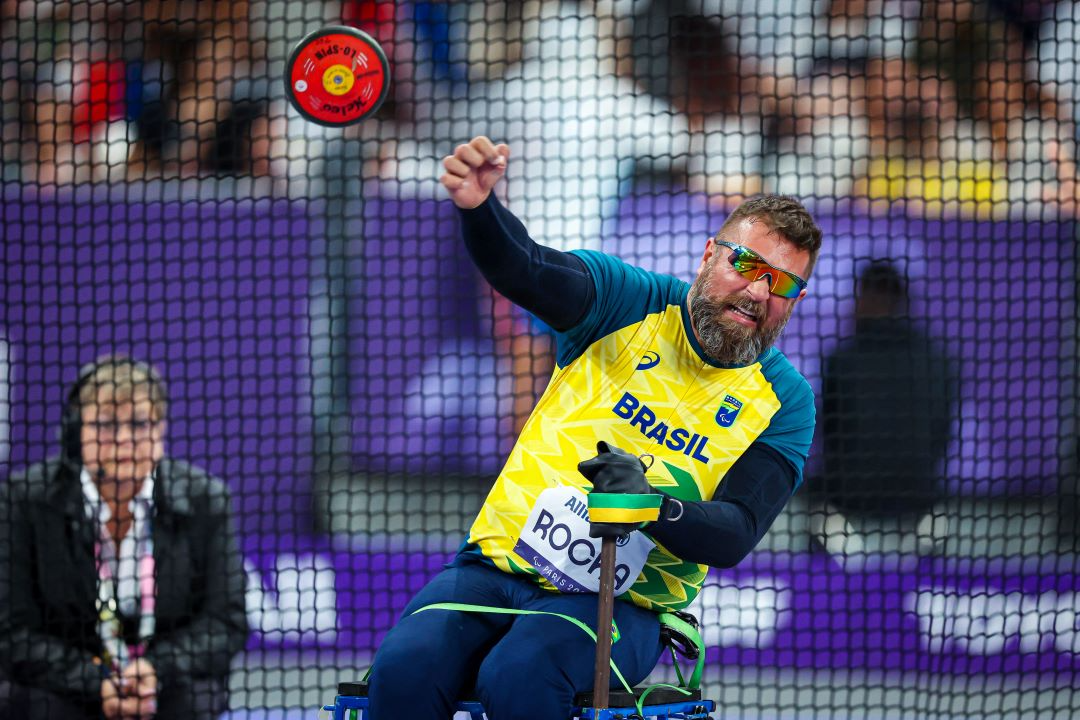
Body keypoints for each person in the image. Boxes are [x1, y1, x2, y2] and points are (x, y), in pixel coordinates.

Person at [365, 136, 822, 719]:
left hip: (626, 607)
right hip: (495, 568)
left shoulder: (786, 400)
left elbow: (735, 531)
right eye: (747, 265)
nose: (759, 291)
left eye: (783, 283)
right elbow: (524, 268)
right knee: (404, 670)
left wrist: (647, 506)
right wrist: (480, 208)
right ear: (710, 254)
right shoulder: (626, 302)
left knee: (519, 675)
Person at [0, 355, 249, 719]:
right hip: (62, 683)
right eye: (104, 424)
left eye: (138, 424)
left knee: (198, 700)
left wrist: (155, 671)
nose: (123, 440)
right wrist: (95, 680)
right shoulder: (25, 500)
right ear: (75, 433)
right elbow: (10, 630)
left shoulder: (206, 500)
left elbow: (226, 621)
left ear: (160, 432)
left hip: (163, 684)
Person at [809, 260, 956, 555]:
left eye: (860, 296)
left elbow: (830, 433)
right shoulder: (935, 359)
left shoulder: (845, 359)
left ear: (871, 297)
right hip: (919, 498)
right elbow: (943, 430)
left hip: (848, 501)